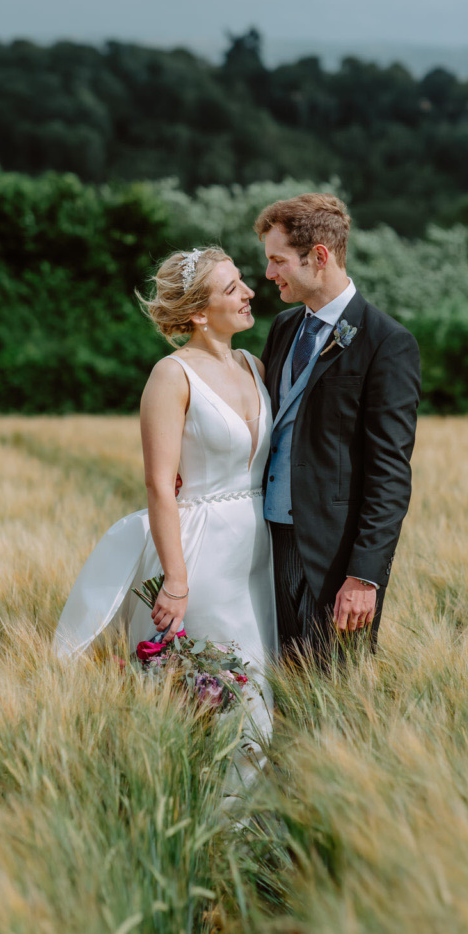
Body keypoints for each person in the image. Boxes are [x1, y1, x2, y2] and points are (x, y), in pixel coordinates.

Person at [54, 246, 276, 788]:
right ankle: (204, 819)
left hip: (260, 552)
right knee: (217, 694)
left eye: (243, 281)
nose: (249, 292)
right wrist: (174, 581)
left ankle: (251, 831)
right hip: (200, 552)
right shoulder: (171, 375)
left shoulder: (255, 365)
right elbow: (158, 483)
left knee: (263, 688)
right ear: (199, 312)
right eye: (232, 288)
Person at [255, 193, 421, 661]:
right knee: (272, 686)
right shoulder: (284, 327)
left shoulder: (387, 342)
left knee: (334, 699)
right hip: (265, 542)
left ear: (320, 257)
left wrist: (364, 576)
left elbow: (390, 472)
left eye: (278, 261)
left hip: (334, 558)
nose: (269, 275)